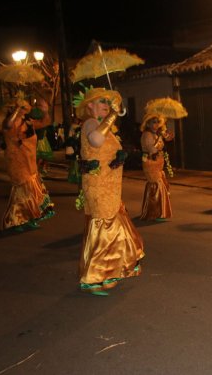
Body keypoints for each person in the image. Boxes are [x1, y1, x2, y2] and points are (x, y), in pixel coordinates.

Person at [75, 87, 144, 296]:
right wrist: (113, 115)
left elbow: (105, 151)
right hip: (99, 186)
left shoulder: (105, 126)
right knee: (105, 228)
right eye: (101, 101)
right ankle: (94, 278)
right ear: (90, 106)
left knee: (115, 227)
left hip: (110, 186)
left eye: (108, 102)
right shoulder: (90, 122)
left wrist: (119, 157)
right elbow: (95, 140)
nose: (106, 103)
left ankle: (107, 271)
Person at [2, 97, 55, 232]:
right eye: (24, 107)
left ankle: (28, 218)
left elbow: (45, 122)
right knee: (21, 192)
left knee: (31, 193)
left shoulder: (28, 122)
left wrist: (45, 111)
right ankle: (15, 220)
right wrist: (17, 110)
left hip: (30, 161)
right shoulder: (10, 122)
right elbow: (7, 125)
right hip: (17, 162)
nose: (27, 109)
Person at [139, 113, 174, 221]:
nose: (156, 124)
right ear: (148, 123)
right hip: (150, 162)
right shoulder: (146, 135)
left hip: (159, 162)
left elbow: (168, 139)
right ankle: (157, 212)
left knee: (160, 183)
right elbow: (151, 148)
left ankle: (152, 211)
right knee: (157, 185)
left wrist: (167, 134)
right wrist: (159, 141)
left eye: (158, 122)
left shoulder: (158, 133)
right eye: (153, 122)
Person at [32, 99, 53, 177]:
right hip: (38, 140)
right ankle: (37, 169)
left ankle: (43, 168)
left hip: (43, 140)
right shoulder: (36, 122)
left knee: (44, 156)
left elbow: (47, 122)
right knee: (39, 157)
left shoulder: (43, 120)